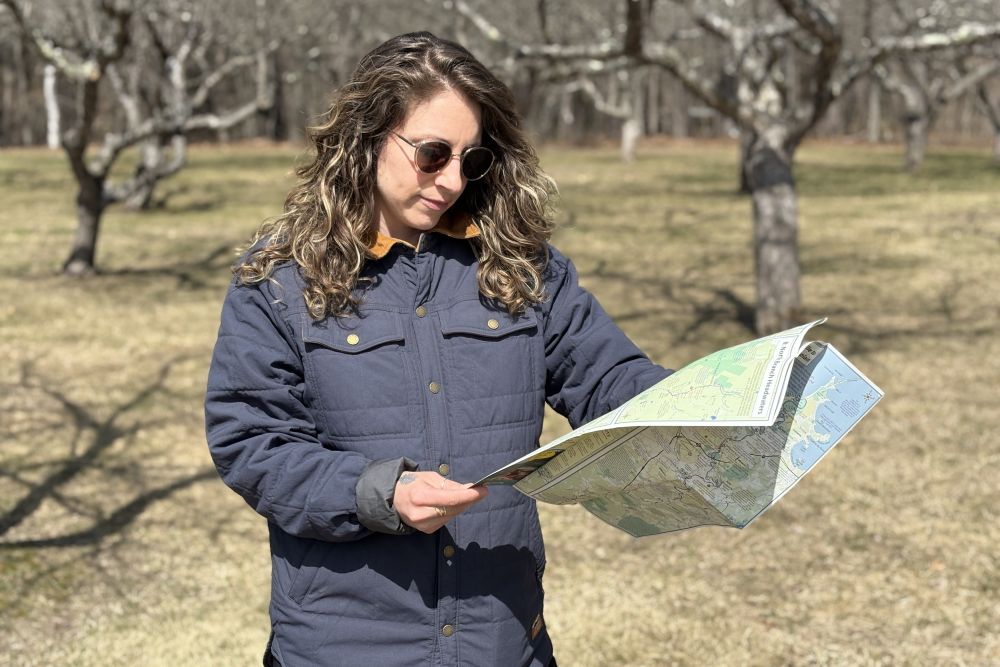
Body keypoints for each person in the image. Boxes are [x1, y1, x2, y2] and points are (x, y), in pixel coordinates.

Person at [204, 31, 671, 667]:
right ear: (367, 137)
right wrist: (377, 494)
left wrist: (703, 396)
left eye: (471, 160)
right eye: (432, 153)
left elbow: (609, 379)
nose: (451, 179)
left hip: (503, 639)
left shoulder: (522, 270)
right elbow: (252, 442)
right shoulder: (283, 279)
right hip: (342, 645)